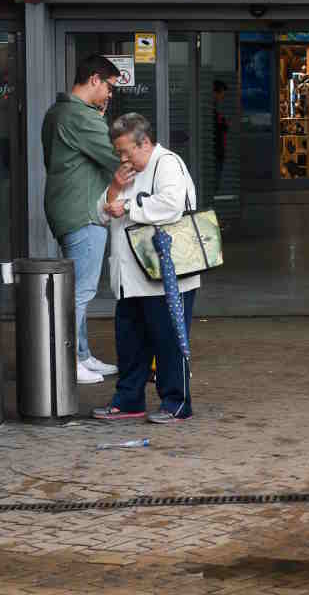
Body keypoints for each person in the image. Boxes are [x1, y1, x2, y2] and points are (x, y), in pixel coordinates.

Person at [91, 114, 198, 424]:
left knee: (168, 340)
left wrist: (127, 207)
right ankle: (128, 400)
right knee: (130, 341)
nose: (122, 159)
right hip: (130, 277)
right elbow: (101, 213)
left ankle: (177, 403)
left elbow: (172, 204)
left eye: (126, 151)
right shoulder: (126, 173)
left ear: (145, 143)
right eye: (118, 153)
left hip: (165, 275)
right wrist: (113, 189)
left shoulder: (167, 164)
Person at [41, 54, 122, 385]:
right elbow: (116, 156)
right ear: (94, 80)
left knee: (77, 287)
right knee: (80, 291)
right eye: (110, 87)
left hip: (66, 207)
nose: (110, 95)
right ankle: (66, 360)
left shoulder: (57, 111)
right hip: (83, 211)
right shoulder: (82, 118)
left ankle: (82, 355)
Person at [211, 80, 230, 201]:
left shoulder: (214, 110)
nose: (223, 97)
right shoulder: (211, 111)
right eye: (222, 93)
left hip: (218, 152)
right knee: (214, 183)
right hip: (216, 152)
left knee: (216, 182)